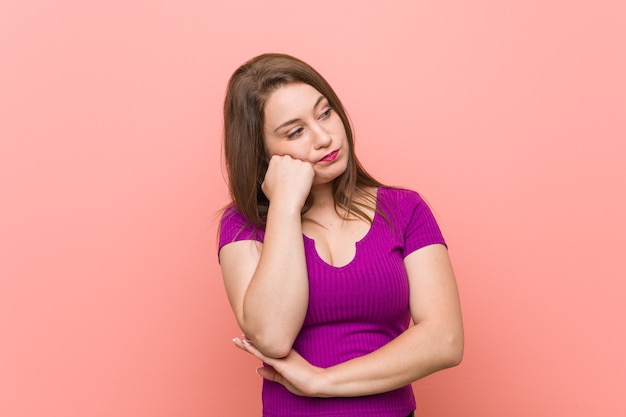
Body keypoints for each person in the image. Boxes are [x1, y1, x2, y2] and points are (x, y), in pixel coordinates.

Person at [217, 53, 464, 417]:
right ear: (262, 153)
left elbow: (445, 340)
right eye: (295, 131)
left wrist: (323, 382)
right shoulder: (242, 226)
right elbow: (272, 336)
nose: (324, 137)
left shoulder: (405, 209)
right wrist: (285, 205)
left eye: (325, 112)